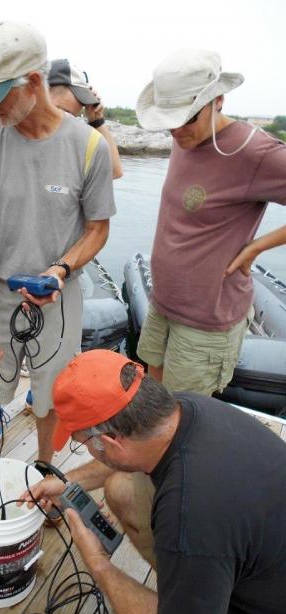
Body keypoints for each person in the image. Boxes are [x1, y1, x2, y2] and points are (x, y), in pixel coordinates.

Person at [22, 349, 286, 614]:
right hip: (251, 564)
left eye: (82, 442)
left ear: (110, 441)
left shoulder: (189, 514)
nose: (85, 449)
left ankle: (188, 605)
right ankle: (187, 596)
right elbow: (125, 459)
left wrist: (98, 563)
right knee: (121, 489)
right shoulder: (185, 407)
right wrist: (68, 481)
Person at [0, 21, 115, 465]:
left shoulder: (89, 147)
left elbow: (98, 229)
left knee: (53, 396)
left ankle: (46, 471)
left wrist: (61, 269)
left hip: (58, 294)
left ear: (31, 83)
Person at [133, 49, 286, 396]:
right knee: (153, 398)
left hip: (206, 320)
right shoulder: (184, 137)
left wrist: (256, 247)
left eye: (187, 118)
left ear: (218, 100)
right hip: (163, 302)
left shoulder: (254, 152)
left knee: (183, 415)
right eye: (168, 120)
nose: (175, 130)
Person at [48, 58, 123, 179]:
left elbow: (114, 171)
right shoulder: (11, 133)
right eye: (61, 111)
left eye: (73, 116)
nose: (66, 120)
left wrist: (97, 120)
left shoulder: (73, 140)